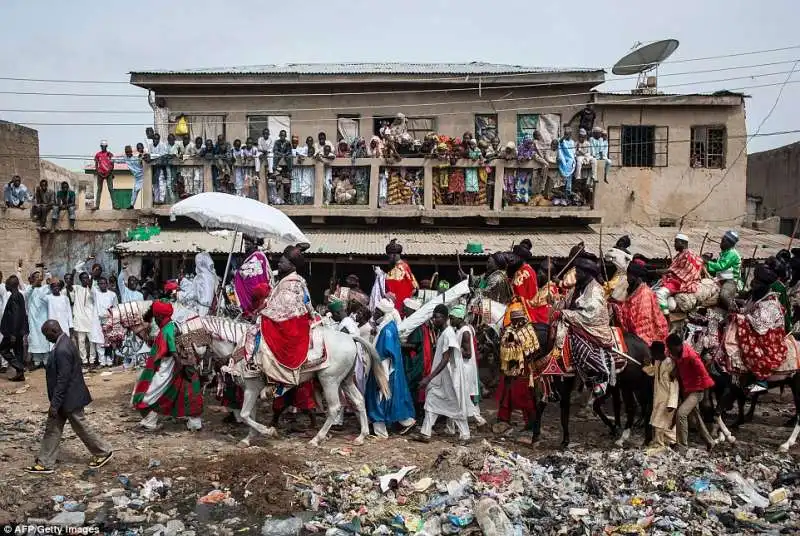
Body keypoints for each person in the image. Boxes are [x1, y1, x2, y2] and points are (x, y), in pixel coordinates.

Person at [25, 320, 113, 474]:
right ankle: (45, 462)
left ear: (53, 331)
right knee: (53, 428)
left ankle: (104, 451)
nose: (46, 338)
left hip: (68, 398)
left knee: (81, 426)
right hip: (67, 397)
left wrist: (55, 404)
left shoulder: (62, 349)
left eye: (46, 335)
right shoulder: (65, 341)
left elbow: (63, 380)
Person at [132, 301, 203, 431]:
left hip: (167, 367)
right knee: (184, 393)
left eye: (155, 318)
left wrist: (179, 364)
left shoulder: (167, 329)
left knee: (148, 393)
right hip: (174, 365)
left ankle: (150, 422)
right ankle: (193, 423)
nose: (155, 321)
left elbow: (172, 350)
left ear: (159, 317)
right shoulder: (171, 325)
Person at [557, 256, 614, 397]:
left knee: (579, 345)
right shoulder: (578, 287)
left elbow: (589, 315)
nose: (576, 274)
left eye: (579, 272)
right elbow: (567, 302)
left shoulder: (594, 291)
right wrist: (557, 305)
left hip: (593, 327)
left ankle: (599, 376)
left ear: (587, 274)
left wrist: (565, 313)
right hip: (576, 322)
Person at [418, 304, 472, 443]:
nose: (435, 320)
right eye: (434, 317)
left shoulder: (448, 334)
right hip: (441, 378)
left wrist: (429, 378)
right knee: (431, 401)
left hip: (448, 378)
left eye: (438, 317)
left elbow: (445, 359)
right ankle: (425, 433)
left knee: (454, 405)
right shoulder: (444, 333)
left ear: (446, 318)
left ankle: (465, 435)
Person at [730, 265, 787, 393]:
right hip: (759, 328)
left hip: (768, 336)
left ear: (764, 286)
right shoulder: (756, 296)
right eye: (754, 281)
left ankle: (761, 379)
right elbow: (748, 309)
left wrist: (741, 317)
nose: (753, 284)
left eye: (756, 283)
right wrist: (740, 310)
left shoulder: (769, 303)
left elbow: (760, 327)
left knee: (750, 346)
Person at [365, 298, 416, 438]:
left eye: (377, 311)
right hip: (384, 368)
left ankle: (380, 431)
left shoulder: (387, 330)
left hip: (384, 369)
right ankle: (406, 421)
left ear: (383, 313)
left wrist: (382, 375)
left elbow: (386, 354)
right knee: (393, 397)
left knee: (379, 397)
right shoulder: (388, 326)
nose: (374, 313)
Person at [260, 245, 314, 370]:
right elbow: (307, 303)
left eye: (282, 262)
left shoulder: (291, 284)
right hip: (298, 320)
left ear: (292, 266)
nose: (278, 264)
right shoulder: (296, 280)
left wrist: (261, 314)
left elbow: (280, 310)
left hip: (291, 326)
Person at [666, 333, 716, 451]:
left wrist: (707, 398)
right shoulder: (677, 354)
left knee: (681, 414)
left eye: (670, 348)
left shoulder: (691, 356)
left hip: (697, 391)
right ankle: (710, 441)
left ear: (677, 346)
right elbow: (679, 365)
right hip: (687, 390)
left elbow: (704, 375)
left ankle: (682, 446)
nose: (669, 350)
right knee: (696, 418)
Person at [614, 260, 668, 346]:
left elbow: (640, 321)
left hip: (647, 333)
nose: (627, 278)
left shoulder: (644, 295)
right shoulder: (635, 288)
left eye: (628, 275)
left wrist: (618, 309)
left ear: (634, 277)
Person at [450, 304, 486, 427]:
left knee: (463, 394)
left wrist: (454, 349)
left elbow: (468, 354)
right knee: (463, 394)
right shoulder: (461, 330)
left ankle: (474, 419)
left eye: (452, 318)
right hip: (462, 367)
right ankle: (457, 423)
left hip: (465, 368)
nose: (451, 320)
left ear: (459, 318)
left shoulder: (465, 332)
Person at [655, 234, 703, 314]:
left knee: (660, 293)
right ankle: (668, 307)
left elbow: (684, 273)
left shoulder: (688, 255)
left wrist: (661, 271)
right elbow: (674, 269)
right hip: (677, 279)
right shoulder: (681, 254)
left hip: (683, 282)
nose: (674, 245)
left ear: (682, 243)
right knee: (671, 305)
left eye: (676, 242)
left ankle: (666, 316)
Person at [642, 342, 678, 447]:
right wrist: (647, 365)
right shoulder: (658, 362)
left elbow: (674, 385)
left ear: (658, 352)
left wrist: (672, 403)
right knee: (660, 423)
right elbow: (653, 372)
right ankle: (671, 441)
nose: (651, 355)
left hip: (667, 399)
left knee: (659, 423)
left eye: (652, 352)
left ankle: (660, 444)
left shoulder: (670, 363)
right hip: (658, 398)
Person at [233, 237, 273, 319]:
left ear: (254, 244)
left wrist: (237, 272)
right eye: (244, 243)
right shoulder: (249, 256)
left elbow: (252, 274)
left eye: (247, 244)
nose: (245, 245)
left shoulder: (258, 256)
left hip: (257, 290)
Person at [705, 230, 742, 312]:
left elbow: (721, 266)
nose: (721, 243)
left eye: (723, 241)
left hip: (731, 279)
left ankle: (735, 311)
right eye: (722, 240)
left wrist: (707, 262)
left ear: (730, 244)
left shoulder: (732, 253)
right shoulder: (724, 252)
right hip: (722, 276)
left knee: (724, 295)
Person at [0, 274, 28, 381]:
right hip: (18, 331)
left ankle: (20, 368)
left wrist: (13, 334)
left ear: (11, 285)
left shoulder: (15, 296)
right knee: (18, 351)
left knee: (3, 349)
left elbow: (16, 316)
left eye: (6, 283)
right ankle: (20, 375)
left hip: (13, 332)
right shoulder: (18, 295)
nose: (5, 285)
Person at [385, 239, 419, 317]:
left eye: (389, 255)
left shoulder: (401, 268)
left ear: (395, 255)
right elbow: (414, 287)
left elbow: (414, 288)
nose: (388, 258)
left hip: (399, 309)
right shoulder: (403, 266)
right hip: (400, 307)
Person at [178, 252, 219, 316]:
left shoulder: (202, 277)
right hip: (211, 308)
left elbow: (195, 294)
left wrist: (179, 296)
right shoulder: (212, 275)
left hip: (203, 309)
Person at [90, 277, 118, 368]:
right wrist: (92, 275)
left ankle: (109, 361)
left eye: (104, 283)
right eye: (100, 283)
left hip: (109, 320)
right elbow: (90, 285)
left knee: (109, 341)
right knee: (100, 342)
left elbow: (116, 307)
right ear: (98, 285)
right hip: (98, 321)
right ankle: (102, 361)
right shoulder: (96, 294)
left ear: (107, 284)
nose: (102, 285)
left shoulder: (112, 294)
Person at [70, 270, 95, 367]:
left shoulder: (92, 289)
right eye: (84, 278)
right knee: (81, 342)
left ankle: (92, 360)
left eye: (87, 278)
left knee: (92, 341)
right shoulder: (77, 288)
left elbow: (92, 290)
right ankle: (84, 360)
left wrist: (91, 279)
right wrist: (73, 273)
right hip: (80, 320)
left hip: (91, 320)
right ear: (80, 280)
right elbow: (70, 283)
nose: (86, 280)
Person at [26, 270, 51, 369]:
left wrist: (47, 273)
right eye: (35, 277)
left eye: (39, 277)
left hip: (44, 318)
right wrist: (33, 285)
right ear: (31, 279)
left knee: (45, 338)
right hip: (33, 320)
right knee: (35, 339)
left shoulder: (45, 288)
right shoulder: (29, 288)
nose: (38, 278)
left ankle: (46, 361)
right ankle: (37, 362)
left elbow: (50, 285)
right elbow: (27, 294)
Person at [119, 144, 145, 209]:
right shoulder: (125, 159)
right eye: (127, 152)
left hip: (144, 176)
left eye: (129, 152)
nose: (128, 153)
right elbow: (117, 160)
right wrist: (110, 159)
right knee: (135, 191)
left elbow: (142, 162)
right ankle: (132, 205)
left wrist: (140, 158)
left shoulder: (136, 158)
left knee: (149, 190)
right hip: (137, 178)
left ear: (131, 152)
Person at [93, 140, 115, 210]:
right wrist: (98, 172)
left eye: (104, 146)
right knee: (99, 189)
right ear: (100, 146)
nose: (103, 147)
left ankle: (114, 205)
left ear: (106, 146)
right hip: (100, 173)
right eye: (102, 146)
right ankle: (97, 206)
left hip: (109, 173)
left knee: (111, 189)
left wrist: (108, 173)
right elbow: (96, 165)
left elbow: (112, 165)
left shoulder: (110, 154)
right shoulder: (98, 155)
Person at [557, 128, 576, 196]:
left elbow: (573, 151)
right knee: (566, 164)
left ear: (570, 135)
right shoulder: (563, 140)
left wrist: (574, 157)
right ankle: (564, 188)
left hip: (571, 158)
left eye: (567, 134)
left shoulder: (572, 142)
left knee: (570, 165)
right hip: (564, 157)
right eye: (565, 134)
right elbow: (560, 142)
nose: (566, 135)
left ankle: (568, 189)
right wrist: (563, 137)